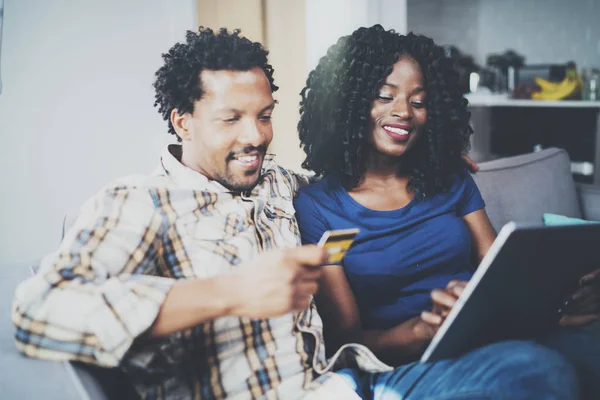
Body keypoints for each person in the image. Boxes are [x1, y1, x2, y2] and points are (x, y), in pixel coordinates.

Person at [12, 27, 579, 400]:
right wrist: (230, 293)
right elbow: (38, 308)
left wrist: (430, 149)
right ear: (181, 121)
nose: (254, 136)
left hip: (351, 385)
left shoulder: (284, 187)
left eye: (264, 116)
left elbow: (362, 178)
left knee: (542, 369)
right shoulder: (140, 201)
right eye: (231, 118)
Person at [294, 24, 600, 398]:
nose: (404, 112)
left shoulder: (448, 177)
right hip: (405, 365)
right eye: (384, 97)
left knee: (587, 352)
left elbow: (501, 269)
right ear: (348, 103)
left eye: (418, 102)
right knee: (539, 369)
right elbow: (345, 341)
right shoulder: (318, 206)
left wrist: (565, 299)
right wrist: (420, 331)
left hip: (487, 335)